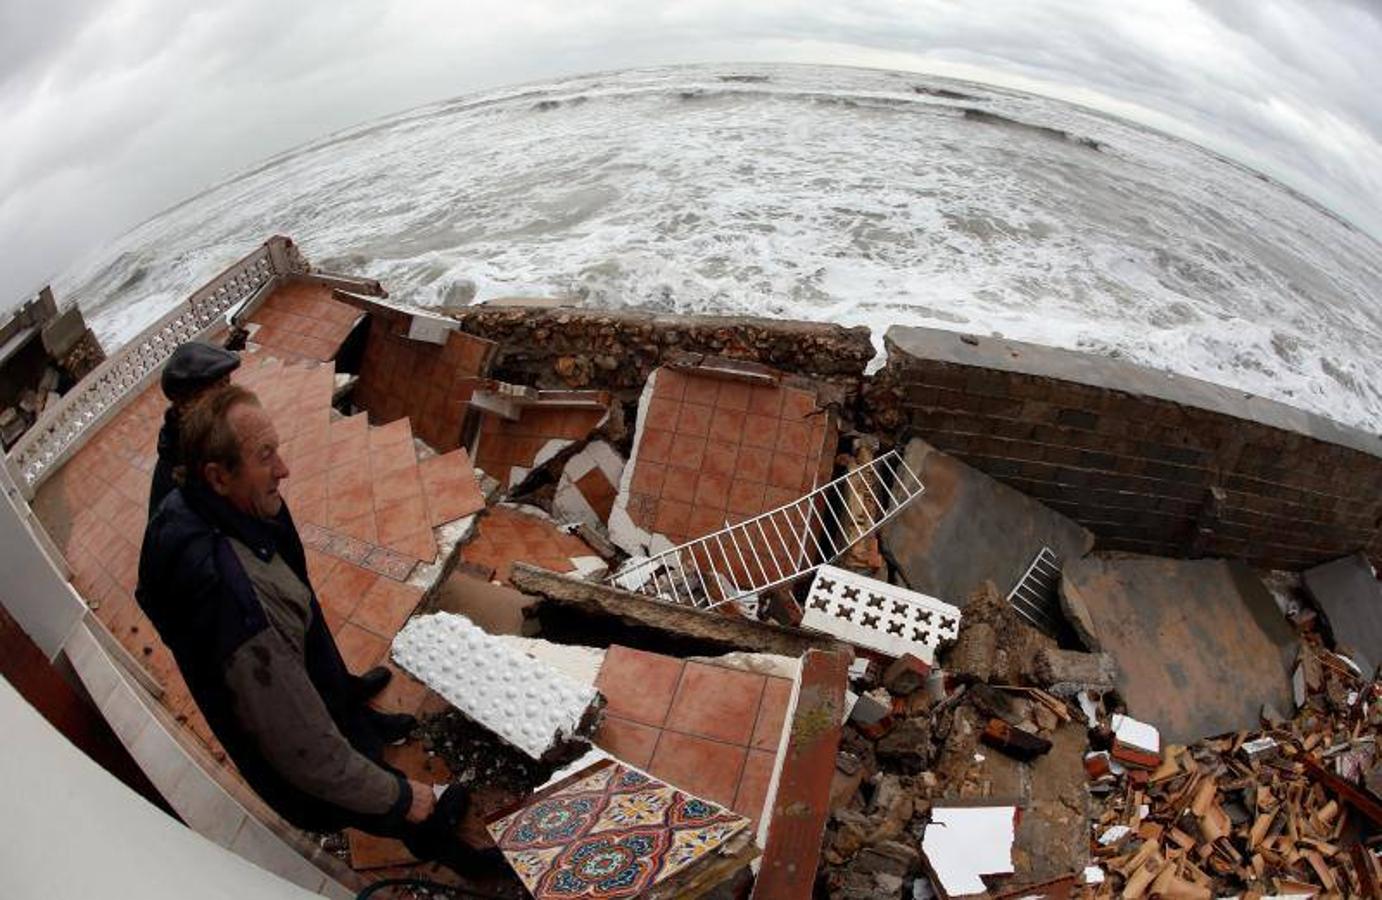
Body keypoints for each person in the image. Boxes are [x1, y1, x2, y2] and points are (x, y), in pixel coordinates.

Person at [137, 383, 470, 861]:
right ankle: (448, 845)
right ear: (219, 476)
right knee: (384, 795)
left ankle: (425, 826)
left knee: (357, 755)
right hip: (297, 760)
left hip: (298, 698)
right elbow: (307, 752)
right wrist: (400, 797)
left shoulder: (182, 503)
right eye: (265, 456)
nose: (285, 470)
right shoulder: (239, 600)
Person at [149, 341, 241, 517]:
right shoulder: (177, 475)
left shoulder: (216, 434)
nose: (228, 396)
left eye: (226, 383)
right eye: (217, 389)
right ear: (186, 404)